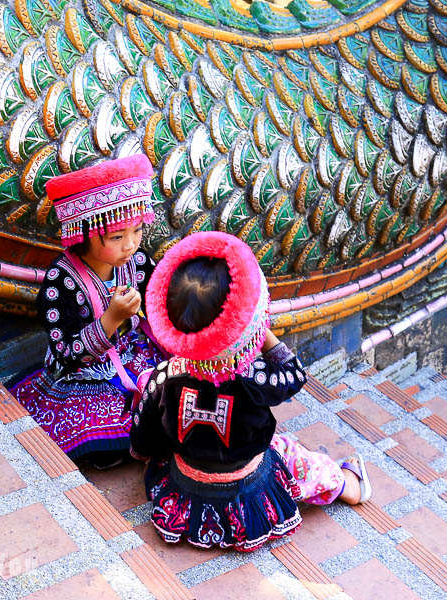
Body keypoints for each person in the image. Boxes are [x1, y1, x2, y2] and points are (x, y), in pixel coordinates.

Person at [130, 231, 372, 551]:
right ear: (246, 322)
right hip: (245, 486)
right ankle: (347, 486)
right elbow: (294, 375)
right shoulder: (253, 377)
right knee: (288, 451)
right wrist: (264, 334)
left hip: (187, 484)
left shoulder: (163, 376)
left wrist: (149, 455)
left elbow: (142, 441)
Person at [10, 154, 165, 469]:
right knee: (97, 433)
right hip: (83, 372)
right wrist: (111, 319)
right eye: (117, 237)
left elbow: (159, 304)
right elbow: (66, 354)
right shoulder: (61, 282)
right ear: (84, 234)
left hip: (135, 353)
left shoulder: (137, 262)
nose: (130, 245)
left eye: (137, 232)